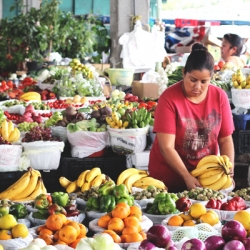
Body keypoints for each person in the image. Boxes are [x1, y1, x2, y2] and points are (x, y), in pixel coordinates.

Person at [148, 43, 235, 192]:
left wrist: (229, 172)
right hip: (168, 179)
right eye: (193, 80)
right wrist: (186, 176)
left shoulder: (219, 97)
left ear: (211, 78)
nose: (197, 87)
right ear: (183, 73)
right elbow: (166, 147)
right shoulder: (168, 98)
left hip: (206, 178)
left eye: (204, 82)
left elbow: (225, 139)